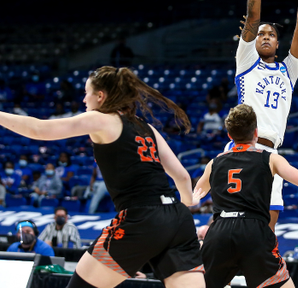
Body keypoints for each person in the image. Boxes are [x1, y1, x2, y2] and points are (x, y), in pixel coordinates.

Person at [0, 66, 205, 288]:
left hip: (141, 217)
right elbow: (183, 177)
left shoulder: (101, 119)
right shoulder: (146, 127)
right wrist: (187, 201)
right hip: (178, 218)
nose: (84, 98)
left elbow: (39, 130)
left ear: (100, 96)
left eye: (87, 92)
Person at [195, 104, 298, 288]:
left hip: (220, 231)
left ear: (229, 135)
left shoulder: (214, 162)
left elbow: (194, 197)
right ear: (256, 132)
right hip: (253, 230)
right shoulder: (269, 158)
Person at [230, 0, 298, 230]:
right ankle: (223, 275)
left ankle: (260, 274)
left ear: (277, 43)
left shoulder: (289, 70)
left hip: (272, 154)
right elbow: (252, 17)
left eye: (271, 34)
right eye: (261, 33)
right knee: (231, 221)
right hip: (242, 147)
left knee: (268, 229)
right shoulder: (247, 60)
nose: (264, 36)